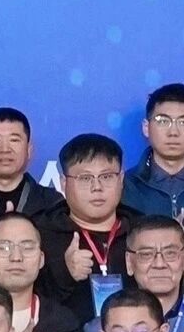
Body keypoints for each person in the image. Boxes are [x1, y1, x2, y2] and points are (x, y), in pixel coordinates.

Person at [48, 132, 154, 311]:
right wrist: (64, 274)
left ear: (121, 179)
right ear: (63, 183)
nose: (97, 187)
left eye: (106, 177)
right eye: (85, 178)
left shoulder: (144, 233)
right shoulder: (42, 234)